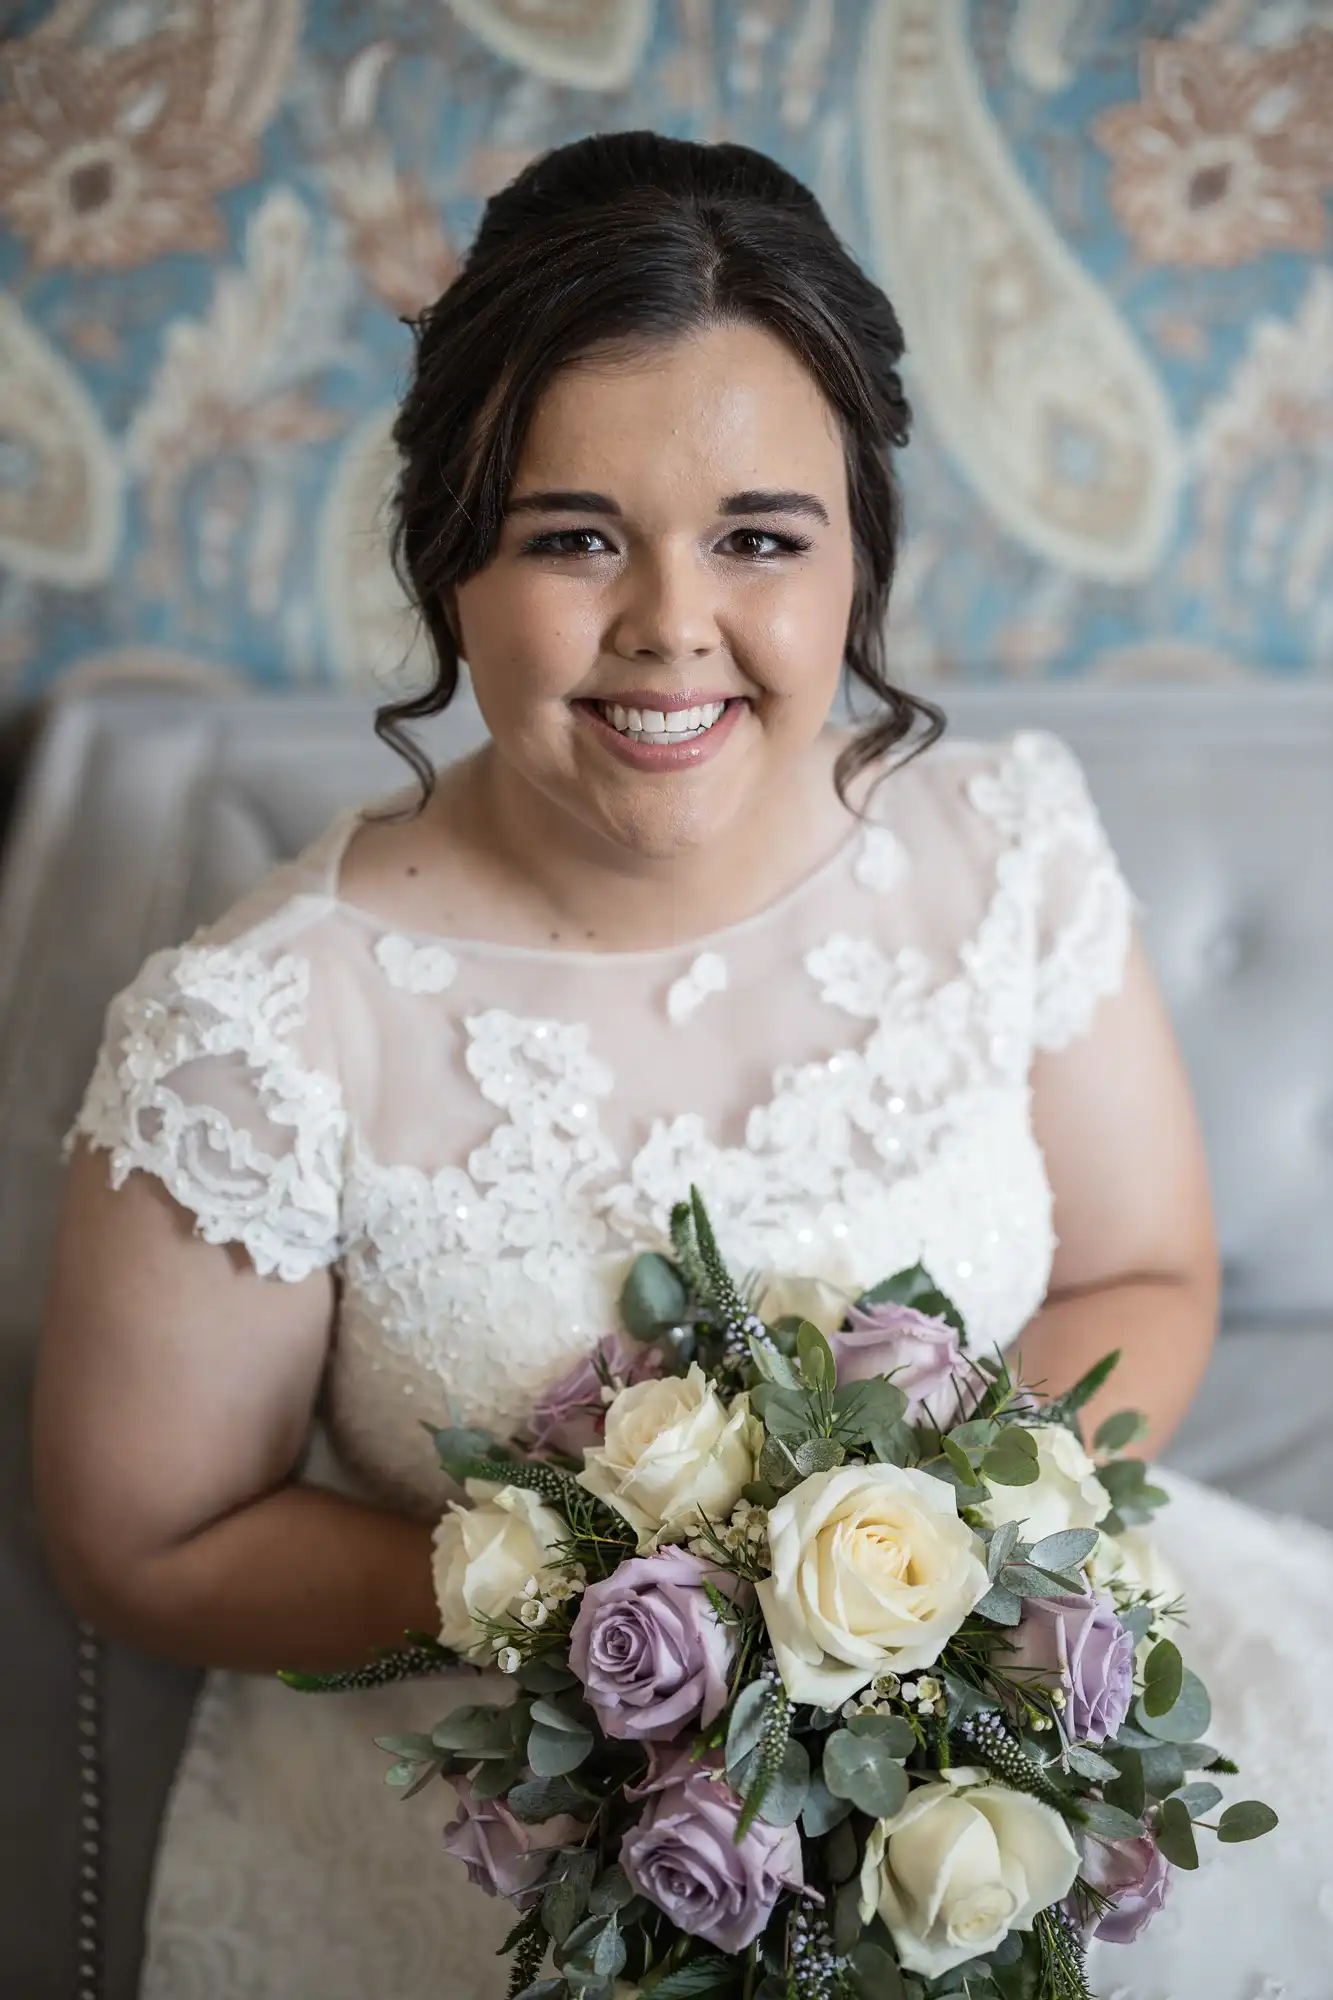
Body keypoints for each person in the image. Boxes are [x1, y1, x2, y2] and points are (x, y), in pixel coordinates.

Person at [31, 131, 1333, 2000]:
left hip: (1032, 1708)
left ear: (857, 554)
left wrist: (944, 1586)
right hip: (512, 1824)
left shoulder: (1008, 853)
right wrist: (655, 1615)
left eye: (758, 537)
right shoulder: (253, 1032)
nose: (668, 625)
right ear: (449, 563)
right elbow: (146, 1544)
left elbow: (1147, 1273)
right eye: (574, 536)